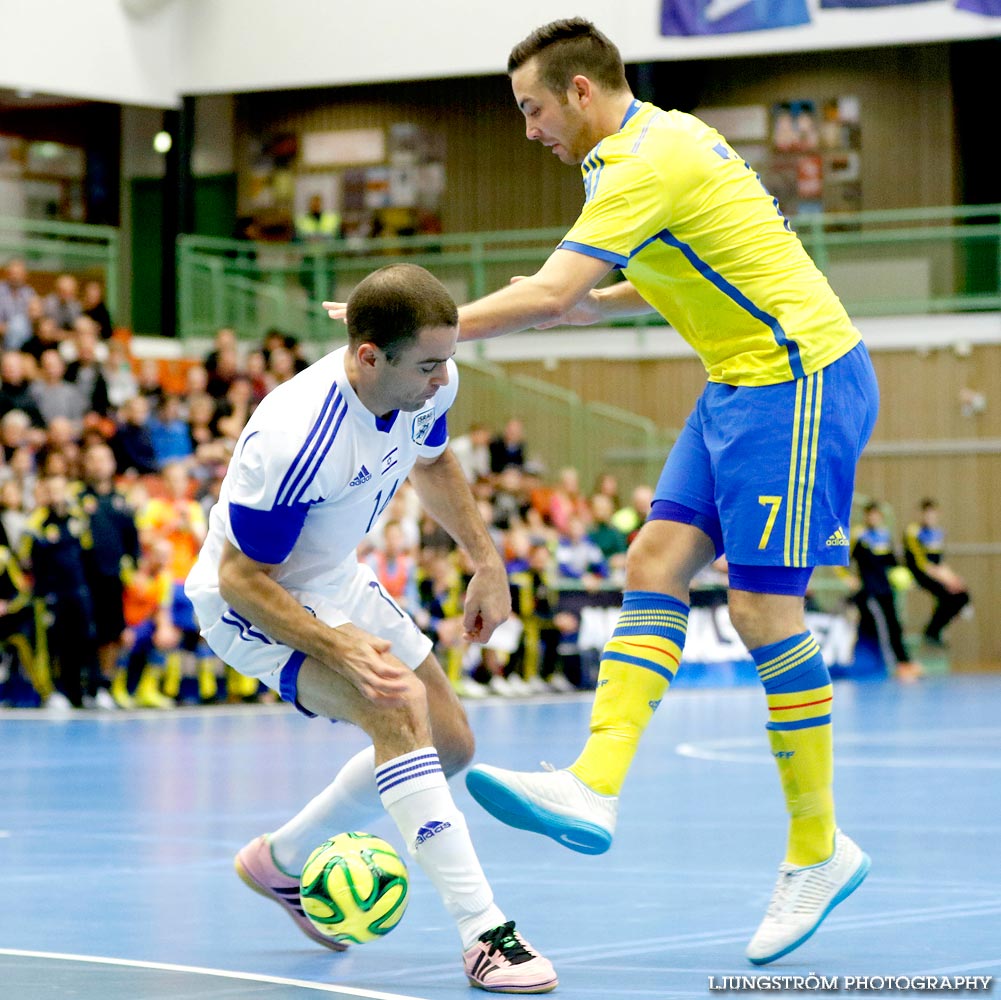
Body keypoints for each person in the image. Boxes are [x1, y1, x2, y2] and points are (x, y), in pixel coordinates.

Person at [325, 18, 878, 969]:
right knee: (651, 560)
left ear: (580, 93)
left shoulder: (643, 157)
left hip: (797, 379)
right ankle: (593, 783)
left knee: (760, 611)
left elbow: (547, 297)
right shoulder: (639, 149)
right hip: (736, 384)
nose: (529, 128)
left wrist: (422, 332)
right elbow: (695, 254)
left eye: (533, 108)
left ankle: (818, 850)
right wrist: (603, 296)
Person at [186, 263, 556, 993]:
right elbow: (239, 578)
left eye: (446, 360)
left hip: (333, 580)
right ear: (366, 357)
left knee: (450, 742)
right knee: (392, 703)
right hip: (251, 601)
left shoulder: (427, 384)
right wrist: (337, 645)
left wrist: (486, 560)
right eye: (427, 364)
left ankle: (280, 862)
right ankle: (485, 934)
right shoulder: (293, 438)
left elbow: (434, 459)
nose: (441, 378)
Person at [850, 501, 923, 682]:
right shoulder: (859, 536)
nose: (873, 518)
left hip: (887, 590)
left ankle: (904, 662)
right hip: (870, 591)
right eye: (870, 514)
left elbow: (894, 563)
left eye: (876, 514)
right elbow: (844, 560)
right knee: (882, 628)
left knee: (895, 625)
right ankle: (895, 665)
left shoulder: (884, 536)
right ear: (866, 517)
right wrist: (848, 578)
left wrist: (905, 578)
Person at [902, 498, 971, 648]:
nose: (929, 518)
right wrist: (946, 579)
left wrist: (953, 577)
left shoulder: (938, 532)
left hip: (936, 572)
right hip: (919, 573)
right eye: (926, 514)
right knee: (949, 596)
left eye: (932, 514)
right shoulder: (913, 531)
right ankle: (932, 632)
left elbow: (940, 560)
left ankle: (937, 628)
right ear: (921, 514)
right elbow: (922, 563)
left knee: (962, 595)